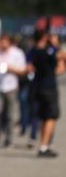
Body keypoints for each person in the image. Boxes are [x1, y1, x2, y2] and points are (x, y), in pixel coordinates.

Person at [28, 29, 65, 157]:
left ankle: (44, 144)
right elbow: (61, 56)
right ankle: (44, 146)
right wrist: (55, 45)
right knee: (51, 117)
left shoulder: (33, 51)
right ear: (44, 37)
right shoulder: (48, 52)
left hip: (37, 87)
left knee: (44, 117)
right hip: (48, 88)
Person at [0, 33, 26, 149]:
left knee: (10, 115)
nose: (2, 44)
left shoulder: (17, 53)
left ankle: (9, 140)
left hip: (11, 86)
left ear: (10, 42)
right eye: (1, 41)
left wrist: (11, 69)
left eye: (5, 41)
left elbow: (22, 70)